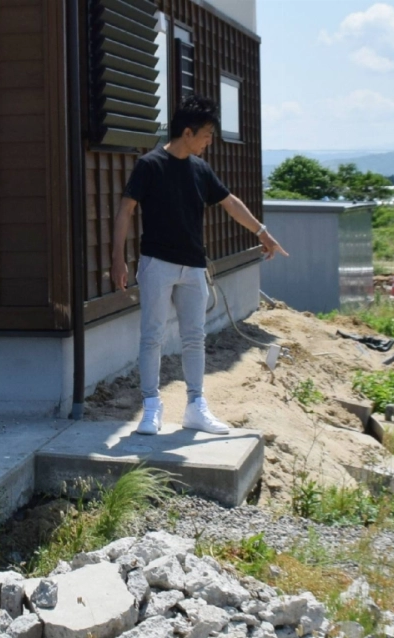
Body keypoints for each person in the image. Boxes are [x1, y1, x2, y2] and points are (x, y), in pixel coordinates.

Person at [111, 96, 288, 436]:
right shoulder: (150, 165)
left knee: (195, 338)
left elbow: (230, 203)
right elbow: (125, 211)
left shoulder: (200, 169)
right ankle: (151, 406)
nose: (210, 141)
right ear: (188, 132)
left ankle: (195, 407)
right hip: (156, 263)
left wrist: (262, 232)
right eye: (206, 134)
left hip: (193, 266)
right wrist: (117, 259)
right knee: (153, 338)